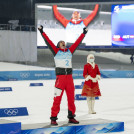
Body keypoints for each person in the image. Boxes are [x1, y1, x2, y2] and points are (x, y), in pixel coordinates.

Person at [38, 25, 88, 125]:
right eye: (61, 43)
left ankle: (71, 117)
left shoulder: (70, 51)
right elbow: (48, 41)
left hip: (69, 79)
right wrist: (42, 31)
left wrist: (84, 33)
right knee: (57, 99)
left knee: (71, 99)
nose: (63, 43)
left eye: (64, 43)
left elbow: (77, 43)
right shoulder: (56, 52)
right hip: (60, 79)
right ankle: (53, 118)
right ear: (58, 46)